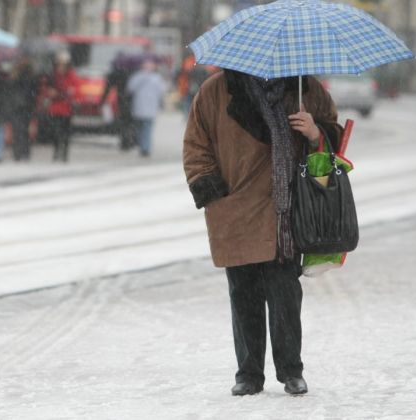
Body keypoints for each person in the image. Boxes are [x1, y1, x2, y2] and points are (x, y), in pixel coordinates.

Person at [183, 70, 342, 396]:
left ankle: (291, 371)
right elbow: (195, 145)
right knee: (244, 293)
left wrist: (316, 133)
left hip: (285, 211)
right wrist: (213, 191)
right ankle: (249, 374)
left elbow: (334, 135)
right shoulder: (217, 90)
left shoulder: (303, 86)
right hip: (234, 207)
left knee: (285, 293)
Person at [44, 50, 78, 162]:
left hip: (66, 109)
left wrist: (63, 93)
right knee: (56, 132)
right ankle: (57, 150)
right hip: (56, 108)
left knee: (65, 132)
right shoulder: (53, 76)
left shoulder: (71, 75)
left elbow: (73, 90)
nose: (61, 67)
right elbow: (46, 89)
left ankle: (64, 153)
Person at [127, 59, 166, 157]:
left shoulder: (156, 78)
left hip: (151, 107)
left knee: (147, 128)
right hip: (139, 106)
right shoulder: (138, 76)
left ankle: (146, 148)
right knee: (140, 128)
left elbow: (162, 90)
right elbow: (131, 88)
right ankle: (142, 146)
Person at [100, 53, 139, 151]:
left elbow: (108, 87)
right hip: (133, 100)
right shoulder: (133, 72)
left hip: (122, 100)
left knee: (124, 122)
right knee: (131, 122)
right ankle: (133, 140)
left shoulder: (115, 73)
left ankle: (125, 142)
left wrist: (102, 100)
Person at [8, 58, 38, 161]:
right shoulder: (17, 76)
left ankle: (22, 152)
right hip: (19, 106)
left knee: (23, 130)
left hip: (25, 106)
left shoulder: (30, 76)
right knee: (19, 130)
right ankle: (20, 152)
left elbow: (34, 91)